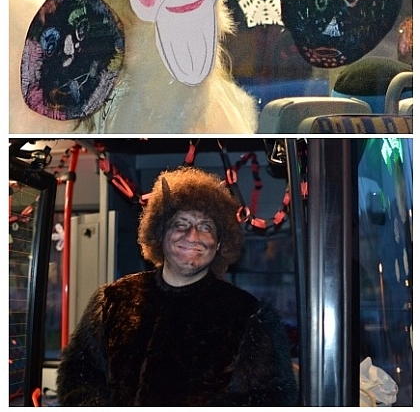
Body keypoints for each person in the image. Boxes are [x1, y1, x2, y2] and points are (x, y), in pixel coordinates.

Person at [56, 165, 297, 405]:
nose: (193, 236)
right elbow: (78, 378)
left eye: (206, 227)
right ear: (160, 233)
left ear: (220, 243)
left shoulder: (249, 317)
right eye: (181, 224)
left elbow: (269, 401)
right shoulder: (112, 300)